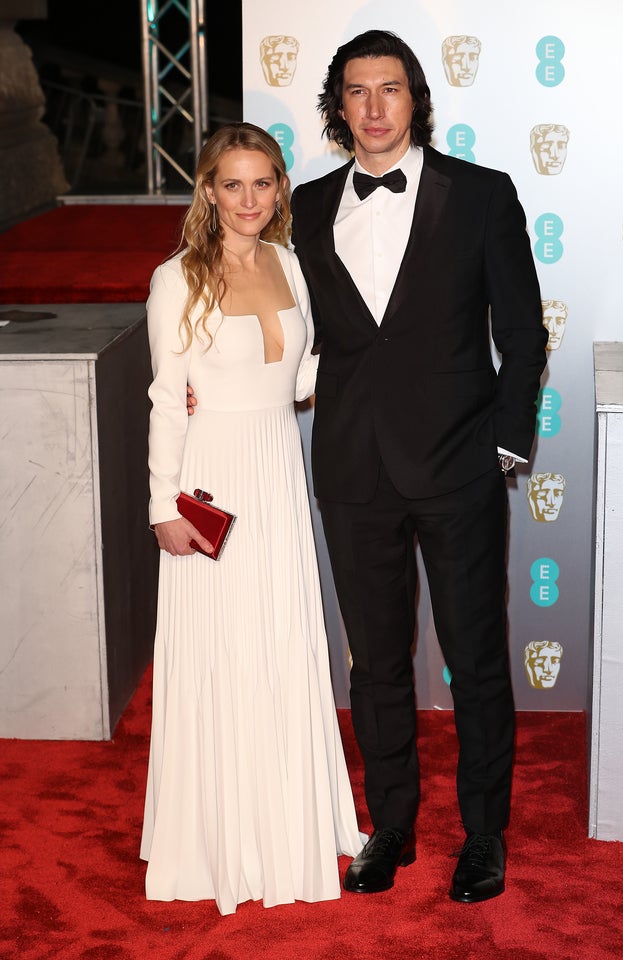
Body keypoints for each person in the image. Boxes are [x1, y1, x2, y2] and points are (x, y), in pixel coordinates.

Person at [289, 30, 548, 903]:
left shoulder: (481, 195)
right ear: (337, 105)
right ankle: (390, 824)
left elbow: (520, 329)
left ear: (415, 98)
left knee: (475, 658)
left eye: (389, 89)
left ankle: (483, 836)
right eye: (356, 92)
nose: (372, 108)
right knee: (375, 665)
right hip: (354, 470)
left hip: (460, 465)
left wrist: (508, 441)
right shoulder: (306, 206)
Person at [140, 122, 363, 917]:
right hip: (212, 482)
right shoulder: (178, 279)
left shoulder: (293, 265)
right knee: (223, 647)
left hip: (275, 474)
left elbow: (299, 379)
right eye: (230, 184)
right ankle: (221, 837)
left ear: (279, 189)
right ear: (206, 191)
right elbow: (168, 398)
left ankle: (291, 817)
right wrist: (164, 505)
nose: (248, 200)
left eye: (262, 183)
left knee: (280, 640)